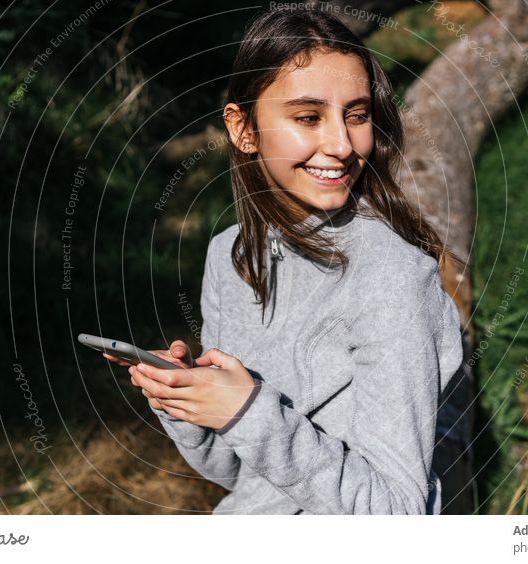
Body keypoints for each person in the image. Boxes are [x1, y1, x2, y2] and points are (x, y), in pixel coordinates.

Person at [106, 7, 465, 514]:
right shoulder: (230, 257)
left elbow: (396, 514)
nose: (341, 145)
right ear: (242, 129)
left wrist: (248, 411)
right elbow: (238, 473)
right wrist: (186, 401)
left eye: (357, 115)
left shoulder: (393, 278)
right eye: (307, 117)